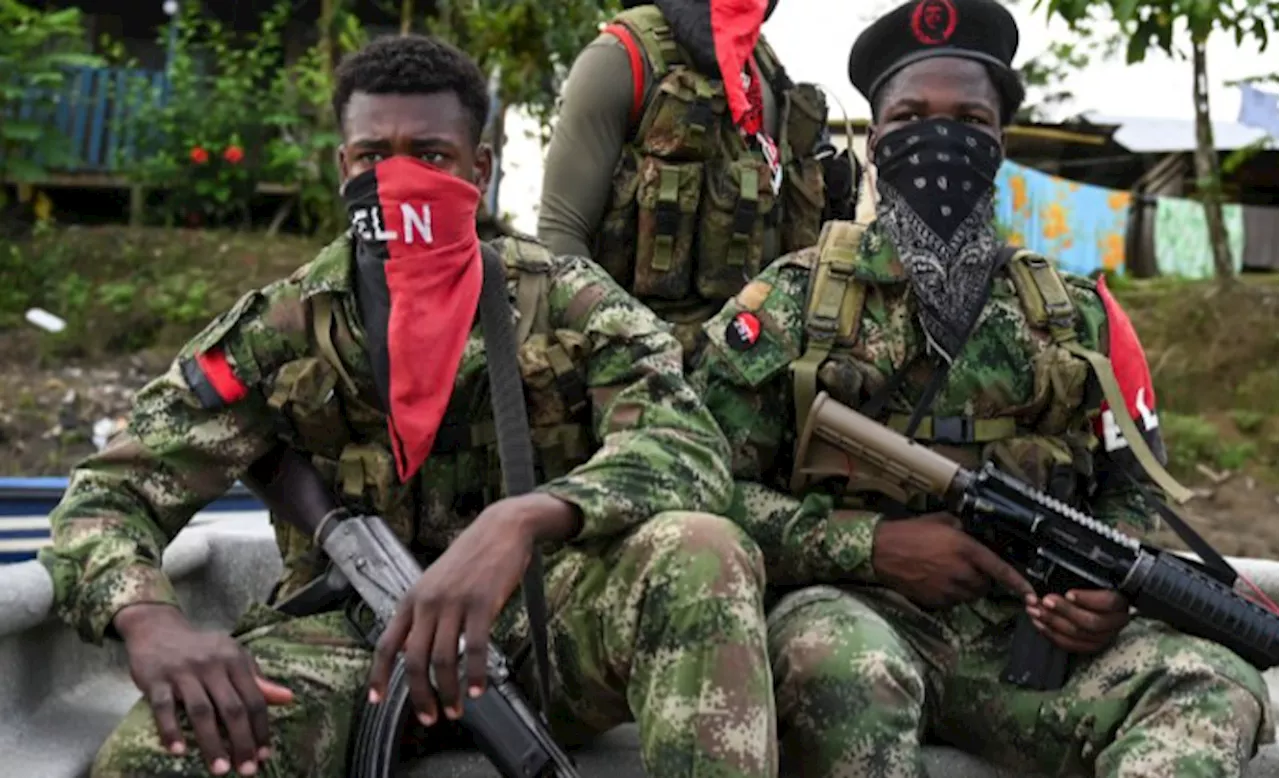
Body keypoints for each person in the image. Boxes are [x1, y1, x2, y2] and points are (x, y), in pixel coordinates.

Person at [39, 34, 777, 778]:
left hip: (536, 626)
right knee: (157, 759)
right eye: (372, 157)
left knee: (701, 549)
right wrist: (151, 621)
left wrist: (525, 519)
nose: (397, 180)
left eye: (430, 157)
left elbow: (688, 447)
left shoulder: (567, 300)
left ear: (479, 169)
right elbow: (108, 493)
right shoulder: (281, 329)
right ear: (342, 168)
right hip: (342, 642)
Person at [690, 0, 1276, 776]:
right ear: (875, 145)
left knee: (1212, 684)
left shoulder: (1077, 317)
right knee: (840, 666)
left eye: (968, 119)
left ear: (998, 144)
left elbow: (1133, 495)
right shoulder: (792, 304)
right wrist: (871, 546)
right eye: (909, 117)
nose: (941, 140)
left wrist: (1103, 599)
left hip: (1022, 637)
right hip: (853, 613)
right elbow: (697, 492)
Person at [536, 0, 837, 362]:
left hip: (753, 377)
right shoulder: (621, 58)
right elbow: (561, 239)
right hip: (642, 382)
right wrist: (630, 368)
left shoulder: (766, 70)